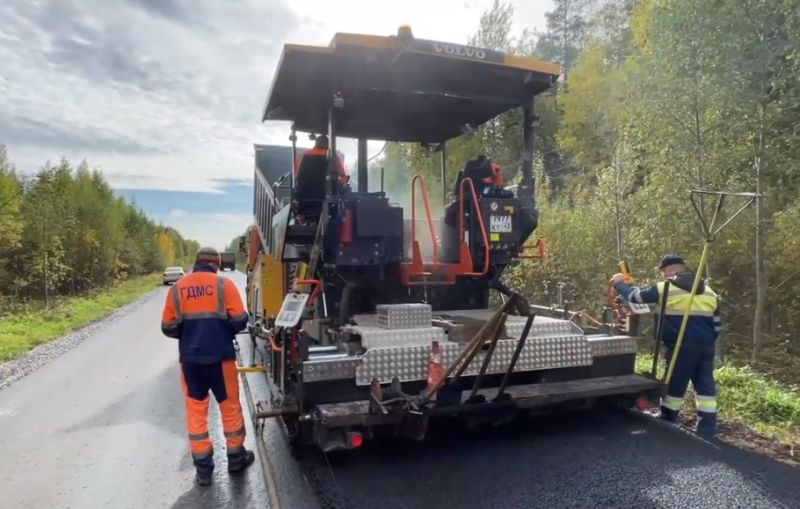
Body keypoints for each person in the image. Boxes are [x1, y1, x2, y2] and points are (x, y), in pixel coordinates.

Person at [160, 247, 254, 486]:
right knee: (230, 408)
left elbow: (168, 327)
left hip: (190, 363)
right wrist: (222, 328)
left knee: (196, 412)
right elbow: (240, 320)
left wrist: (189, 333)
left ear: (196, 262)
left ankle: (203, 470)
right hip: (221, 360)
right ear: (217, 264)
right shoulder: (224, 286)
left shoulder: (177, 289)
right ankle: (236, 459)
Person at [611, 254, 722, 437]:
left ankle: (668, 419)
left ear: (670, 269)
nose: (663, 275)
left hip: (680, 347)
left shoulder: (666, 287)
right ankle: (707, 428)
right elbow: (717, 324)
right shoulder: (709, 292)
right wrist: (707, 341)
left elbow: (635, 297)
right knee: (705, 386)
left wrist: (618, 283)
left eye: (663, 271)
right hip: (706, 347)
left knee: (675, 384)